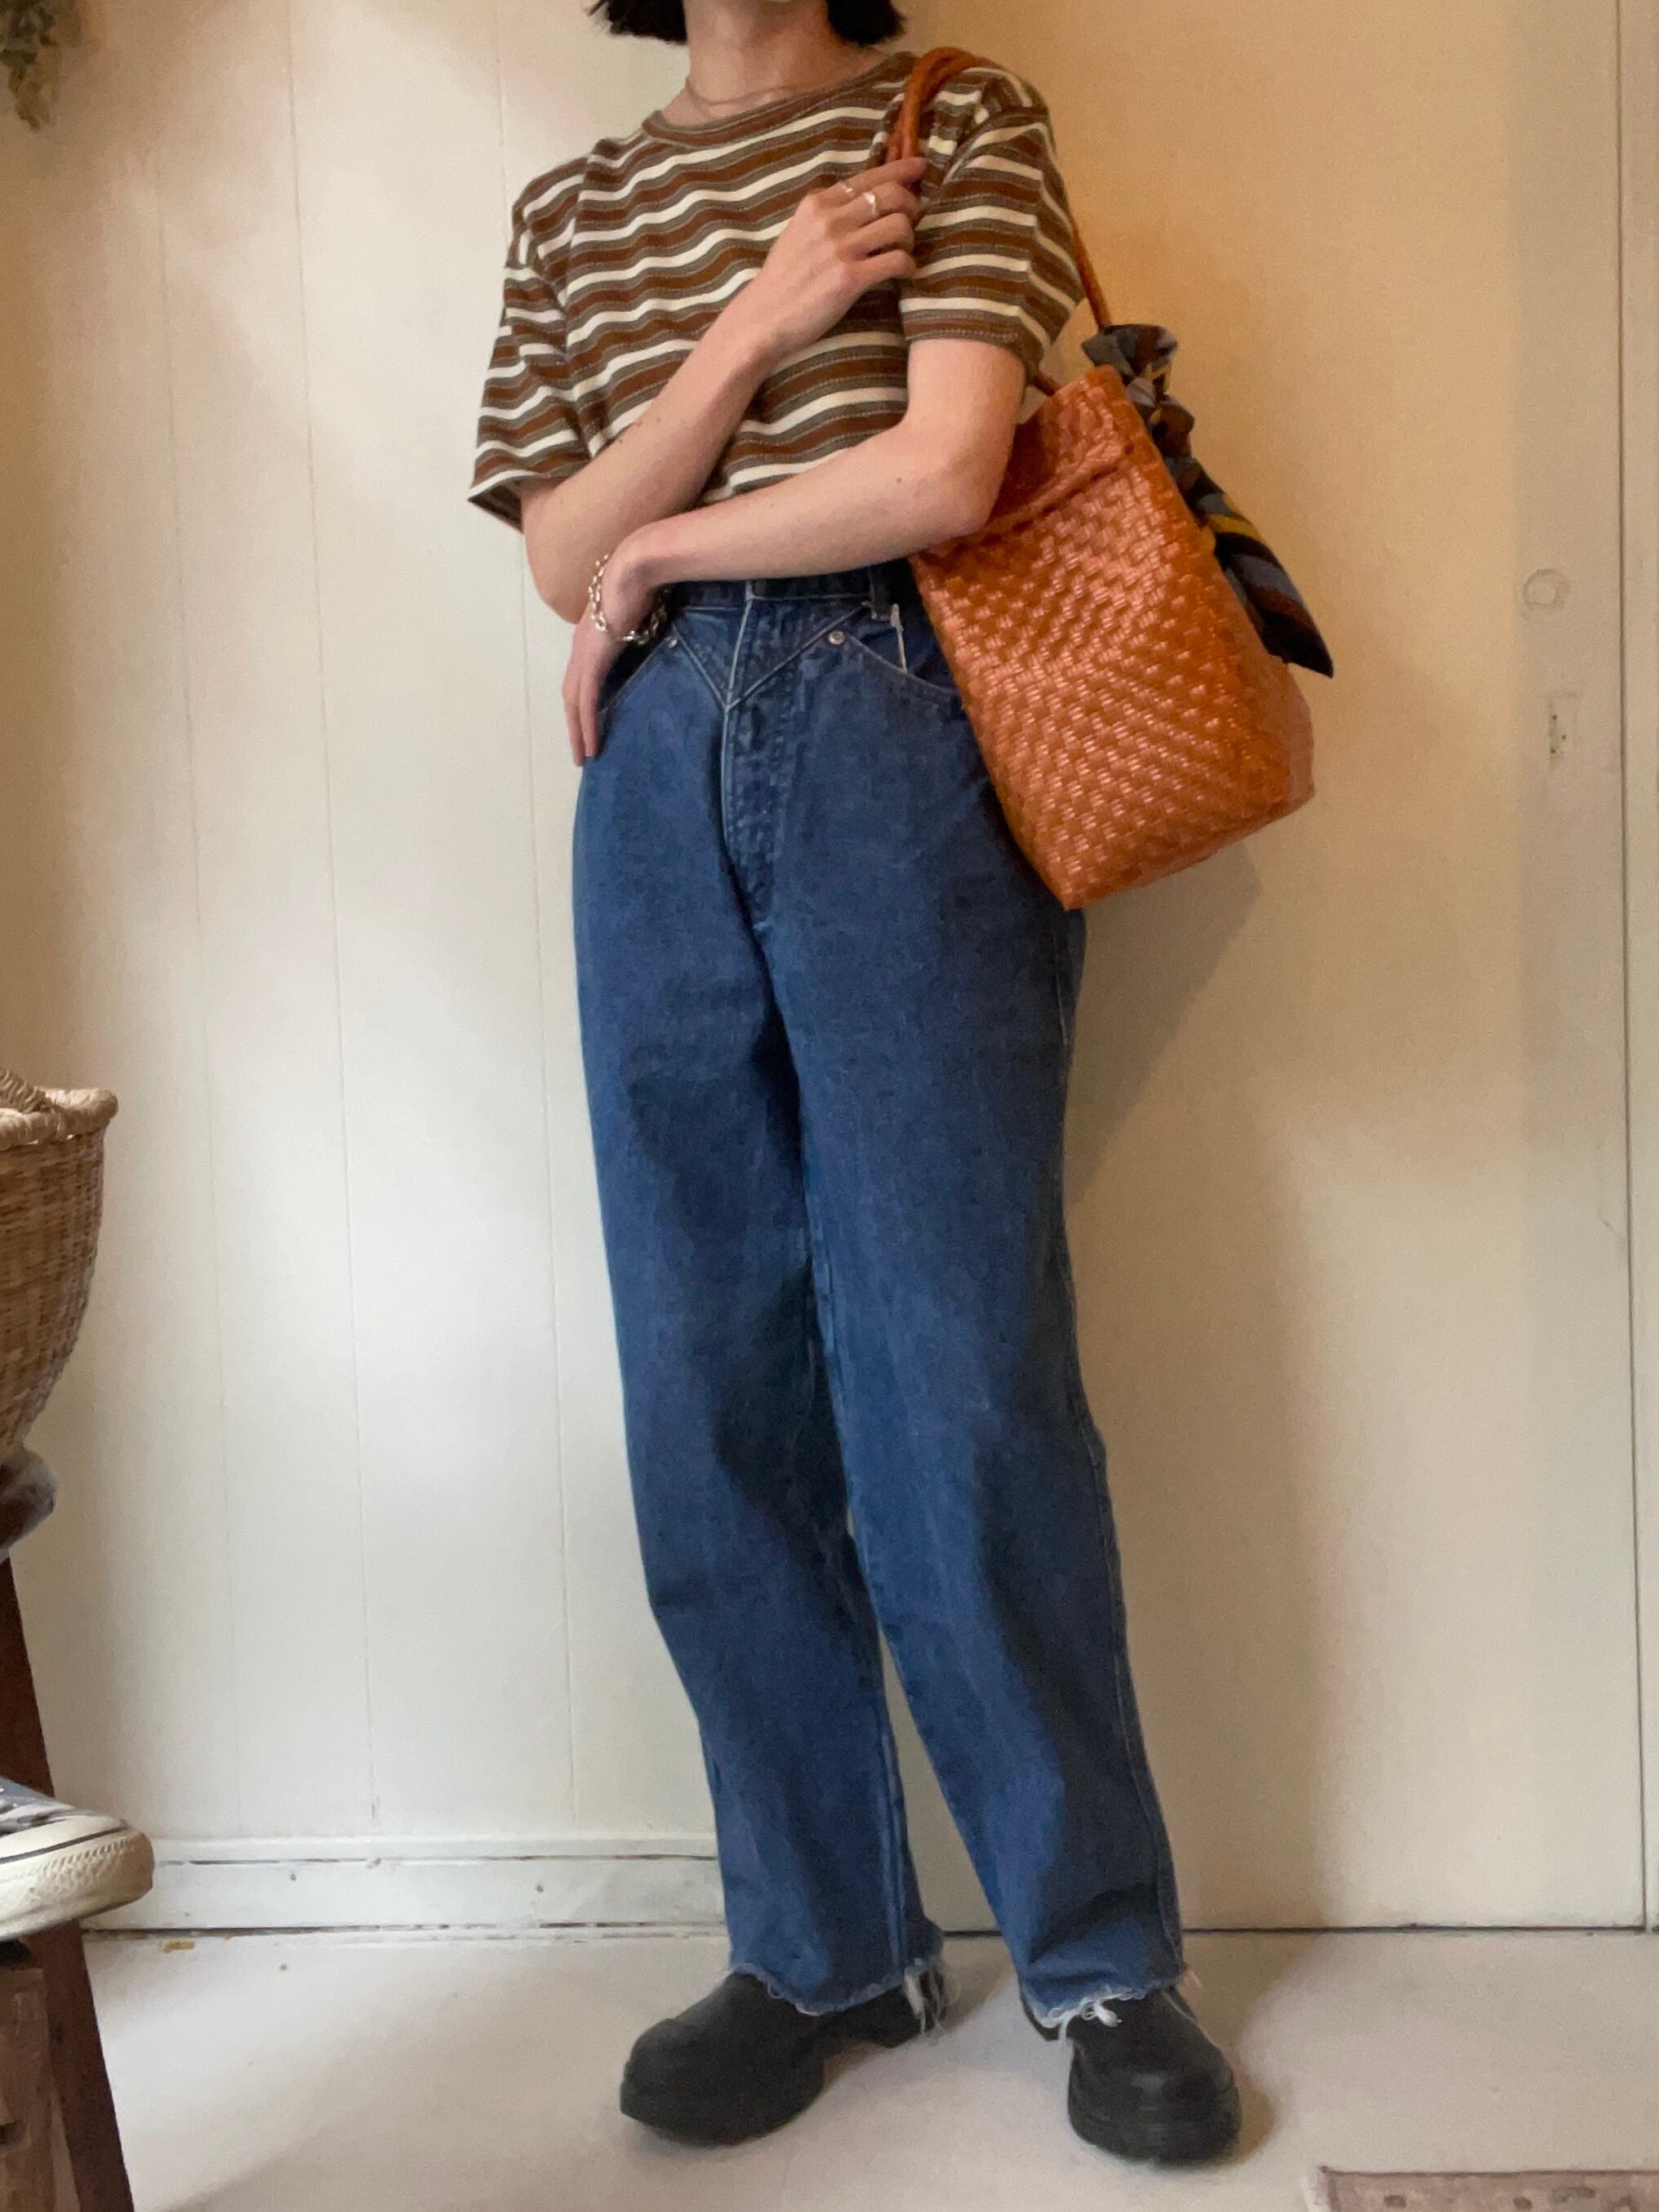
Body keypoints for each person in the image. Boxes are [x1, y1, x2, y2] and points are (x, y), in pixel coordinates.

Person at [469, 0, 1242, 2166]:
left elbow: (948, 469)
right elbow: (556, 548)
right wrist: (763, 318)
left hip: (904, 721)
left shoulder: (962, 116)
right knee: (704, 1379)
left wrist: (669, 542)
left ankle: (1100, 1951)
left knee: (958, 1366)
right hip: (648, 781)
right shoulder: (574, 208)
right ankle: (824, 1949)